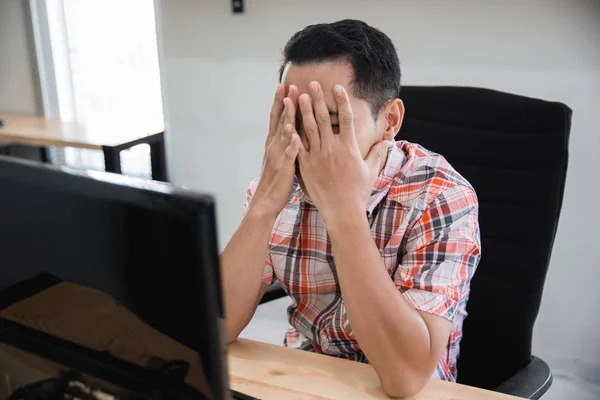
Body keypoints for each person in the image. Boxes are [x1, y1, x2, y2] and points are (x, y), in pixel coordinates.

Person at [220, 19, 481, 397]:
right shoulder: (281, 183)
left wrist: (344, 213)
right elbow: (211, 327)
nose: (309, 143)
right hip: (306, 379)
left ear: (390, 120)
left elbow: (404, 377)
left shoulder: (440, 197)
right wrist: (262, 205)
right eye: (295, 120)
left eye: (330, 123)